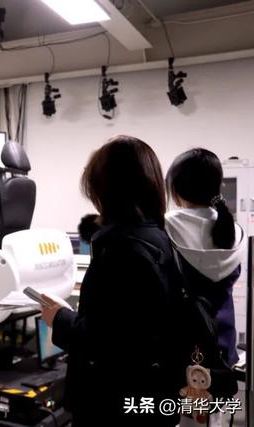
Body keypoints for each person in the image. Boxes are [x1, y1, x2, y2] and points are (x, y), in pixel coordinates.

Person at [39, 136, 181, 426]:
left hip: (111, 401)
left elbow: (105, 342)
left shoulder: (121, 250)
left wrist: (59, 317)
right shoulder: (157, 238)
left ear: (106, 190)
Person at [165, 148, 244, 427]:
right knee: (214, 418)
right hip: (223, 347)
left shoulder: (166, 226)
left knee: (185, 418)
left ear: (175, 188)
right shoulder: (233, 230)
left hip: (183, 351)